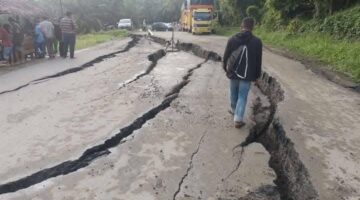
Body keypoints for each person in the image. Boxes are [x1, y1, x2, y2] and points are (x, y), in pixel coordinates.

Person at [223, 17, 263, 129]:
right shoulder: (257, 42)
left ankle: (235, 111)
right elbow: (258, 61)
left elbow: (226, 56)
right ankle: (238, 118)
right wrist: (257, 75)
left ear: (242, 25)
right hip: (248, 74)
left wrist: (225, 68)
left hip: (233, 72)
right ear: (253, 27)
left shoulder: (232, 39)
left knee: (233, 93)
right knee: (242, 96)